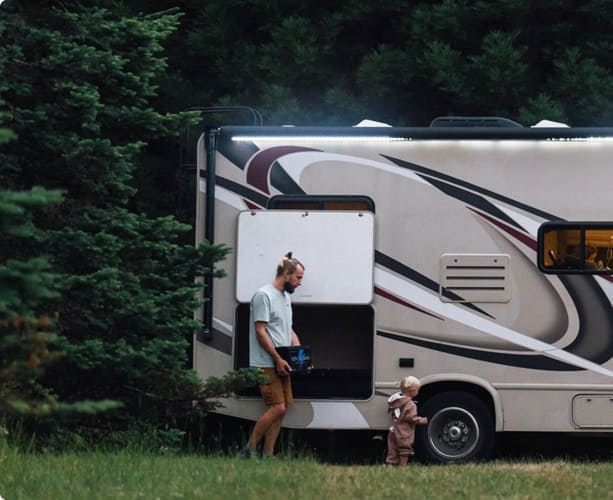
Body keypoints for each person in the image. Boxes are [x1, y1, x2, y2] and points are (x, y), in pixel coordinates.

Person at [242, 251, 305, 459]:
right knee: (277, 407)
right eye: (298, 277)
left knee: (282, 409)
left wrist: (300, 353)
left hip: (283, 360)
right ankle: (248, 449)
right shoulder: (264, 295)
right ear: (286, 274)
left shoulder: (285, 297)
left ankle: (268, 455)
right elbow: (260, 331)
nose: (299, 283)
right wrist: (277, 359)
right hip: (267, 362)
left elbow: (289, 329)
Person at [385, 375, 428, 466]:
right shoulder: (410, 404)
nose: (418, 392)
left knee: (392, 448)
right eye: (417, 390)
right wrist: (422, 420)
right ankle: (402, 466)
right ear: (411, 391)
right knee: (404, 448)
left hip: (393, 429)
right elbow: (411, 418)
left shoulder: (395, 400)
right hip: (404, 430)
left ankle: (390, 465)